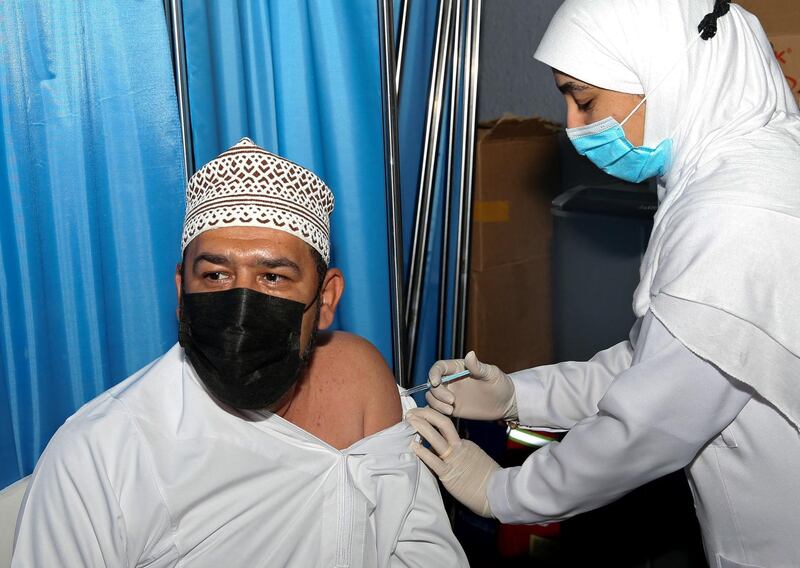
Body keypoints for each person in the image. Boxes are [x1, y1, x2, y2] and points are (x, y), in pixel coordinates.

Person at [406, 0, 800, 566]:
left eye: (584, 98)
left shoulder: (738, 213)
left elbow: (650, 423)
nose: (571, 125)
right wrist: (519, 394)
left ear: (665, 69)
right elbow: (659, 361)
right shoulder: (752, 167)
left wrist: (504, 491)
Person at [12, 138, 468, 567]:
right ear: (180, 290)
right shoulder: (104, 453)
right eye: (215, 275)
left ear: (326, 300)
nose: (241, 304)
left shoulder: (359, 378)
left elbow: (420, 547)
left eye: (273, 277)